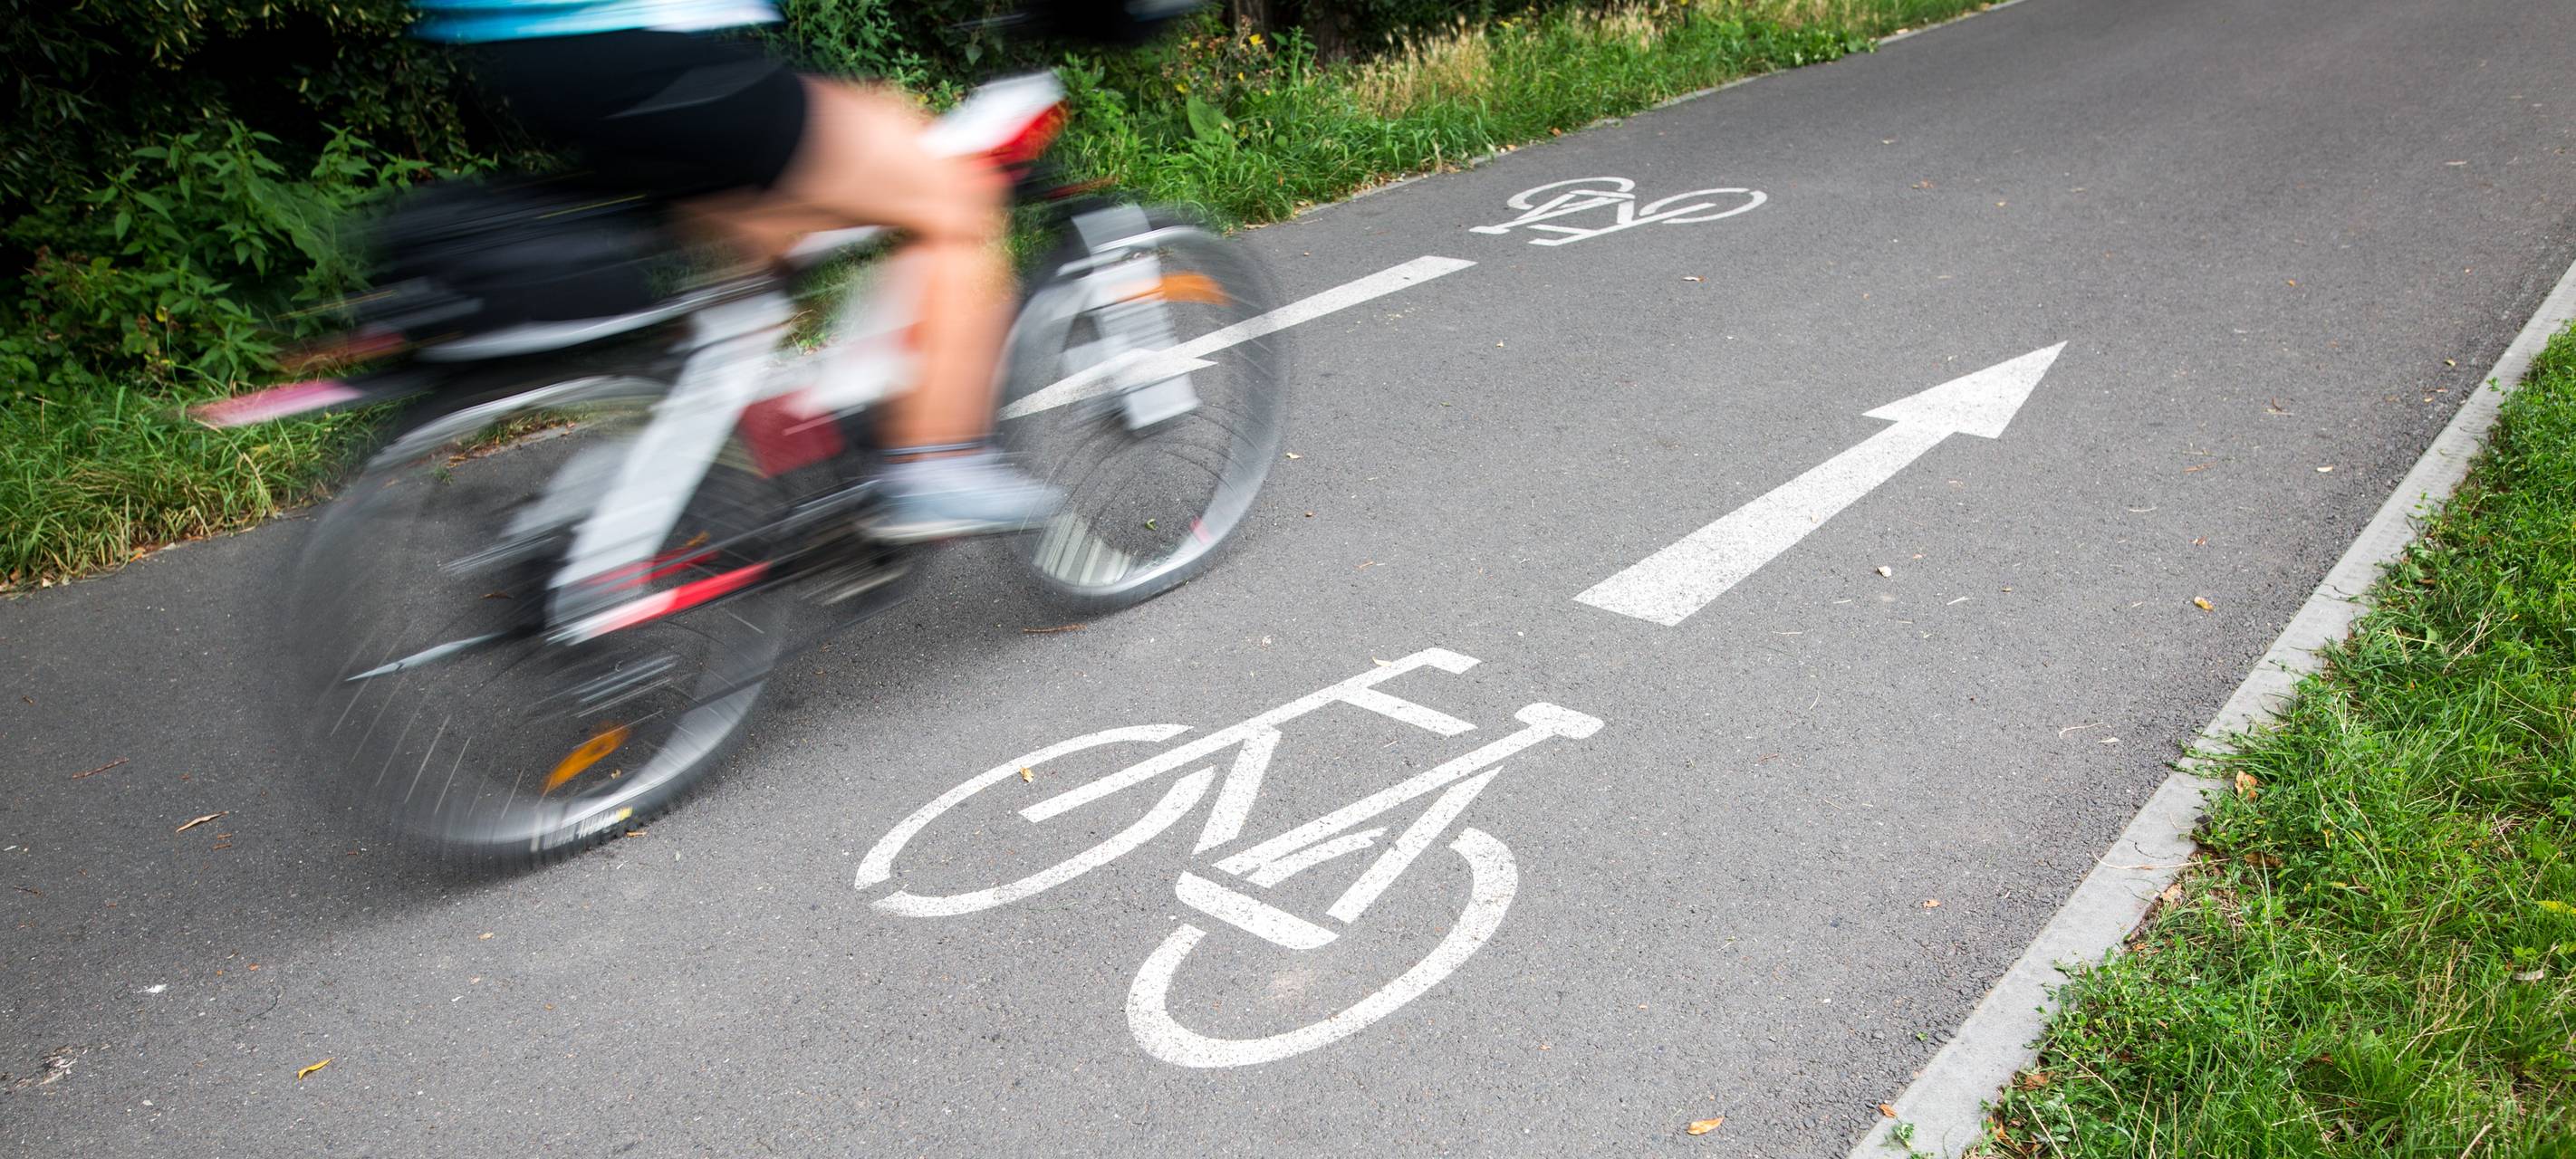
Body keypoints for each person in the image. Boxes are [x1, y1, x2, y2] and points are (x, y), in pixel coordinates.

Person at [410, 0, 1061, 541]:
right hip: (638, 51)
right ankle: (933, 465)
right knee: (951, 195)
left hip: (521, 57)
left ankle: (707, 448)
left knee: (773, 224)